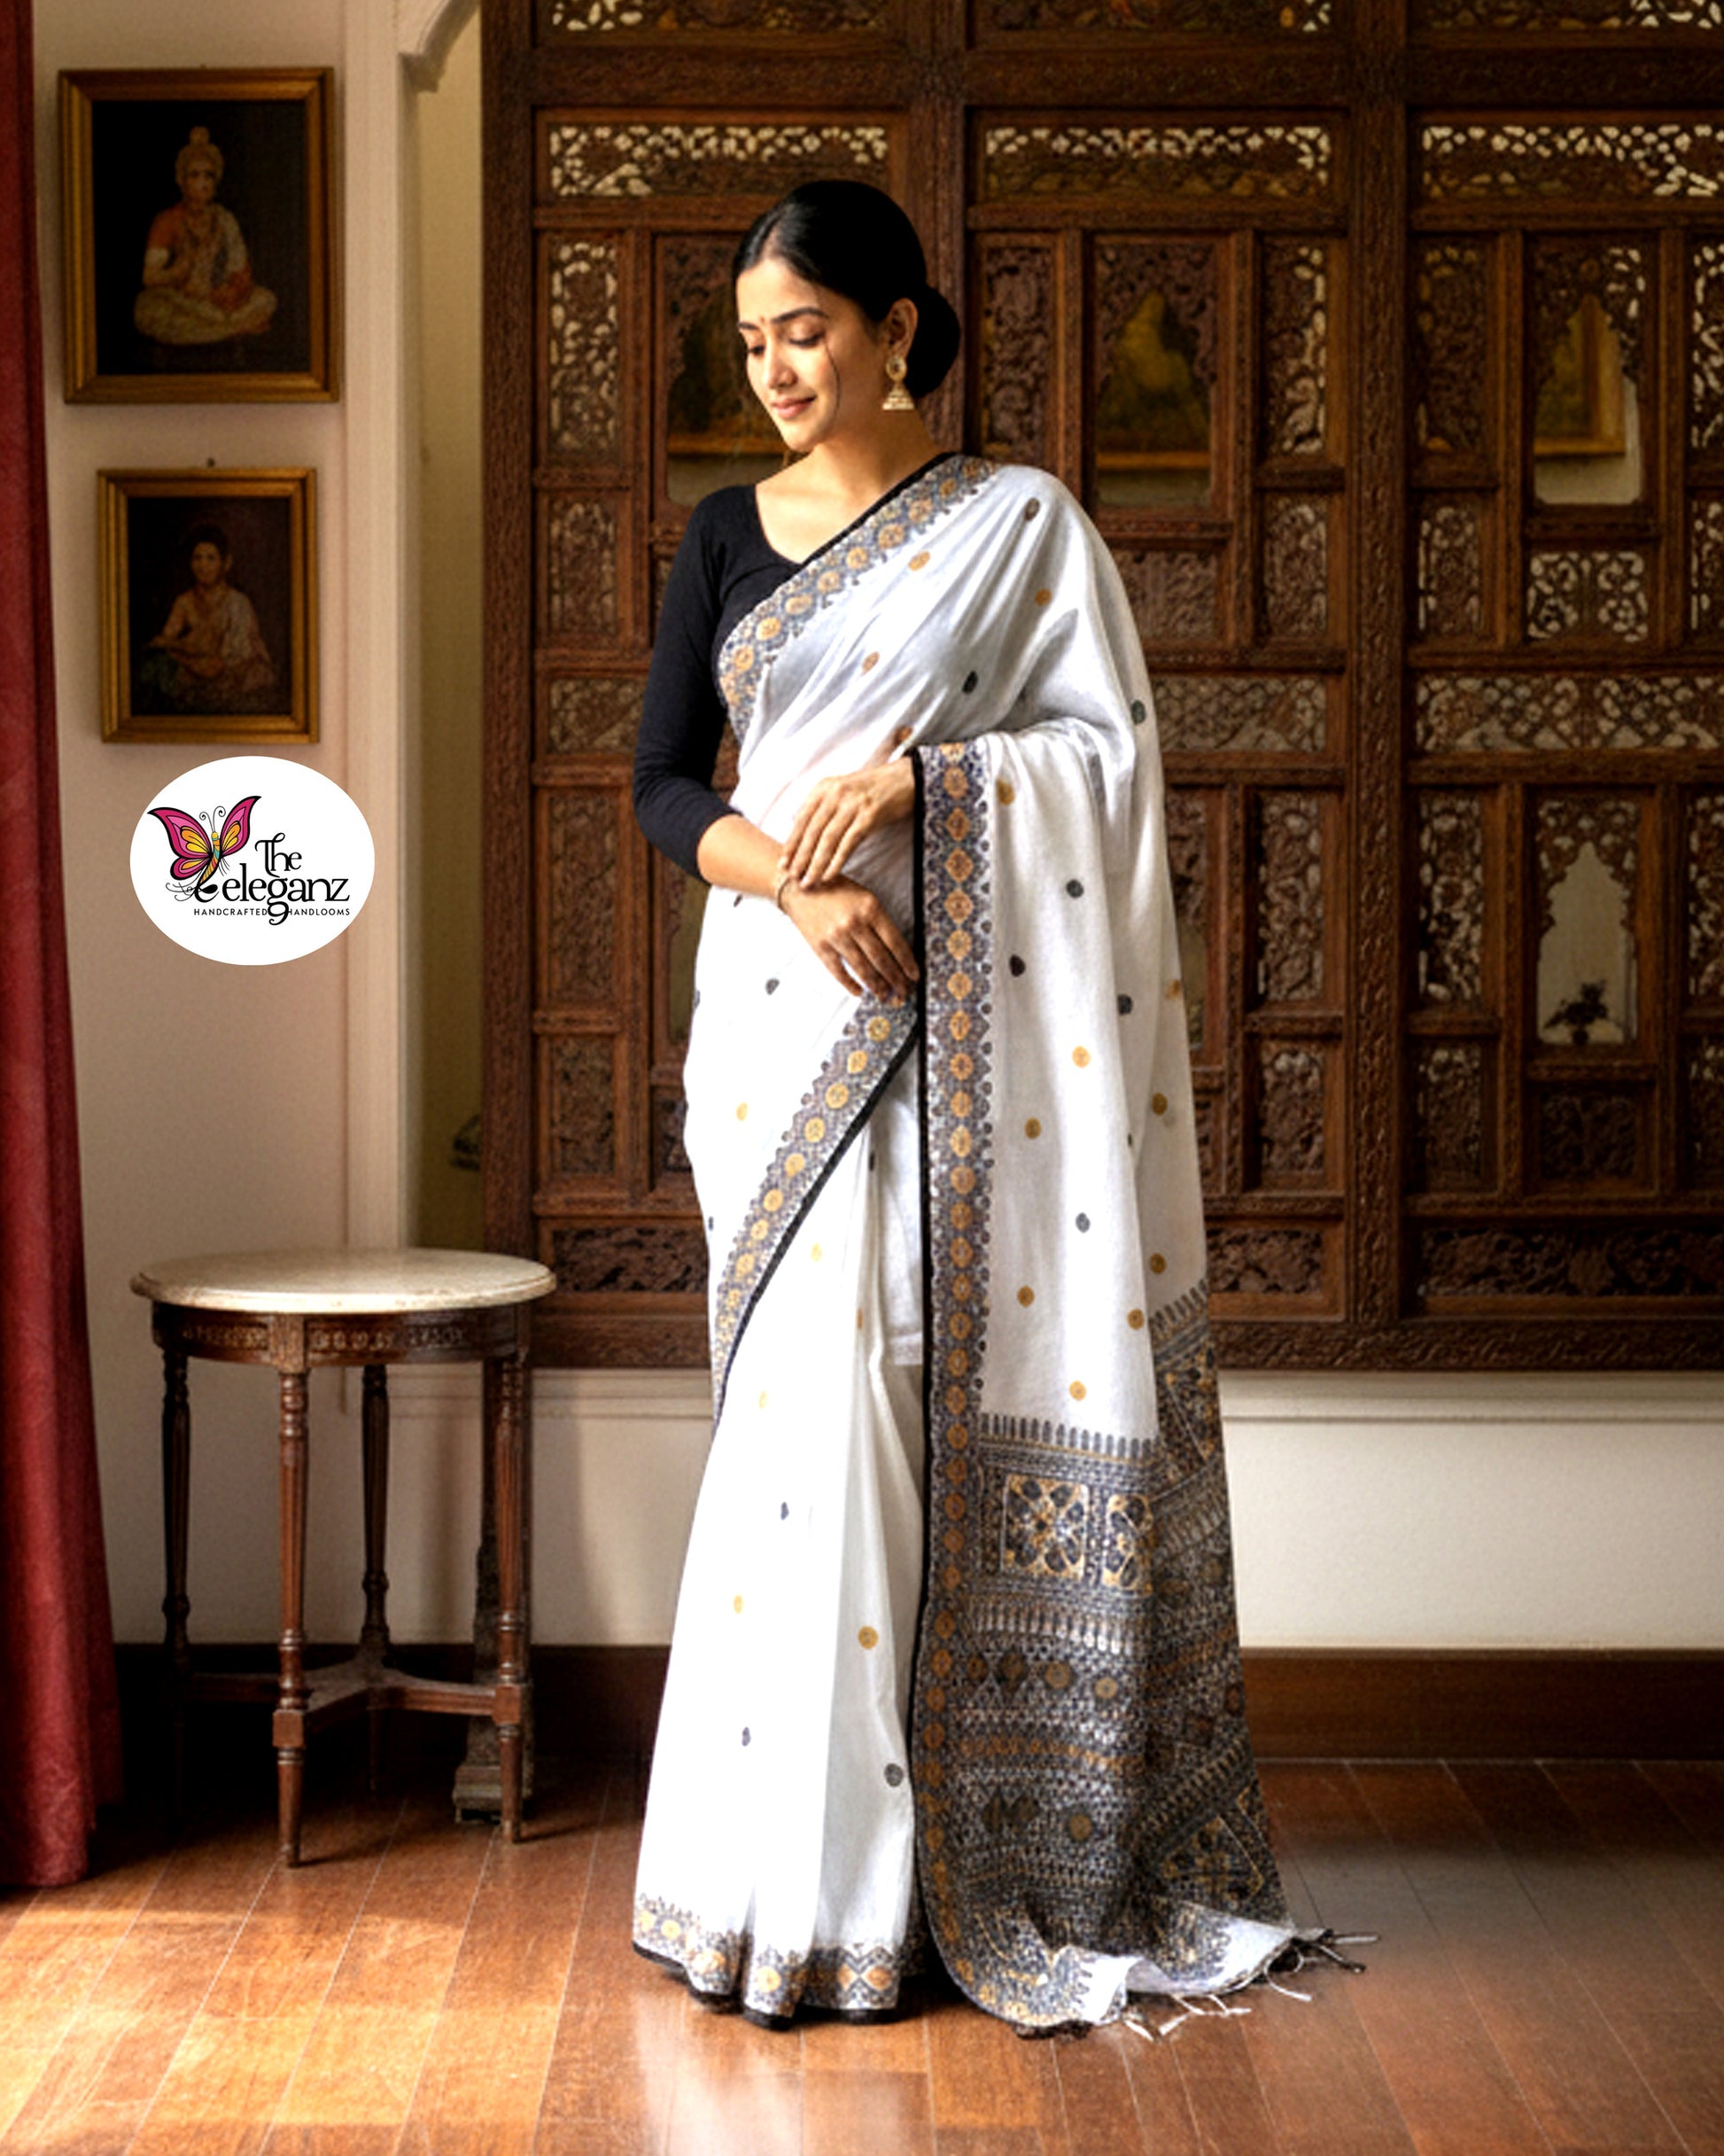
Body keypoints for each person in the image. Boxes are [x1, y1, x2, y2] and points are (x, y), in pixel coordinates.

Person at [630, 179, 1320, 2035]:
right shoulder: (722, 535)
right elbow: (662, 786)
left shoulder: (1019, 528)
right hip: (784, 1024)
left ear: (897, 331)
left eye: (807, 331)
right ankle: (782, 1886)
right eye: (754, 341)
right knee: (810, 1413)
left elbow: (1106, 757)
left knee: (912, 1398)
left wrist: (925, 780)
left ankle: (951, 1868)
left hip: (971, 1039)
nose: (778, 368)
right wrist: (798, 889)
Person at [133, 126, 277, 348]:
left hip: (218, 303)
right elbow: (149, 277)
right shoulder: (168, 220)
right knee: (147, 308)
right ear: (182, 181)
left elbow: (240, 269)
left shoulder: (225, 220)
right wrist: (175, 274)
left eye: (209, 175)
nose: (203, 183)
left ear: (216, 181)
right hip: (181, 302)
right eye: (195, 175)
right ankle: (234, 329)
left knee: (266, 299)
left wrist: (231, 291)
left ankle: (219, 328)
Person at [140, 524, 276, 715]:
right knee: (156, 667)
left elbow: (220, 664)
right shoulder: (184, 601)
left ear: (226, 563)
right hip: (199, 669)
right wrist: (181, 649)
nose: (203, 566)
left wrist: (179, 651)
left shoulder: (237, 603)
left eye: (211, 558)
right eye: (197, 558)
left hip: (235, 674)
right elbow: (164, 642)